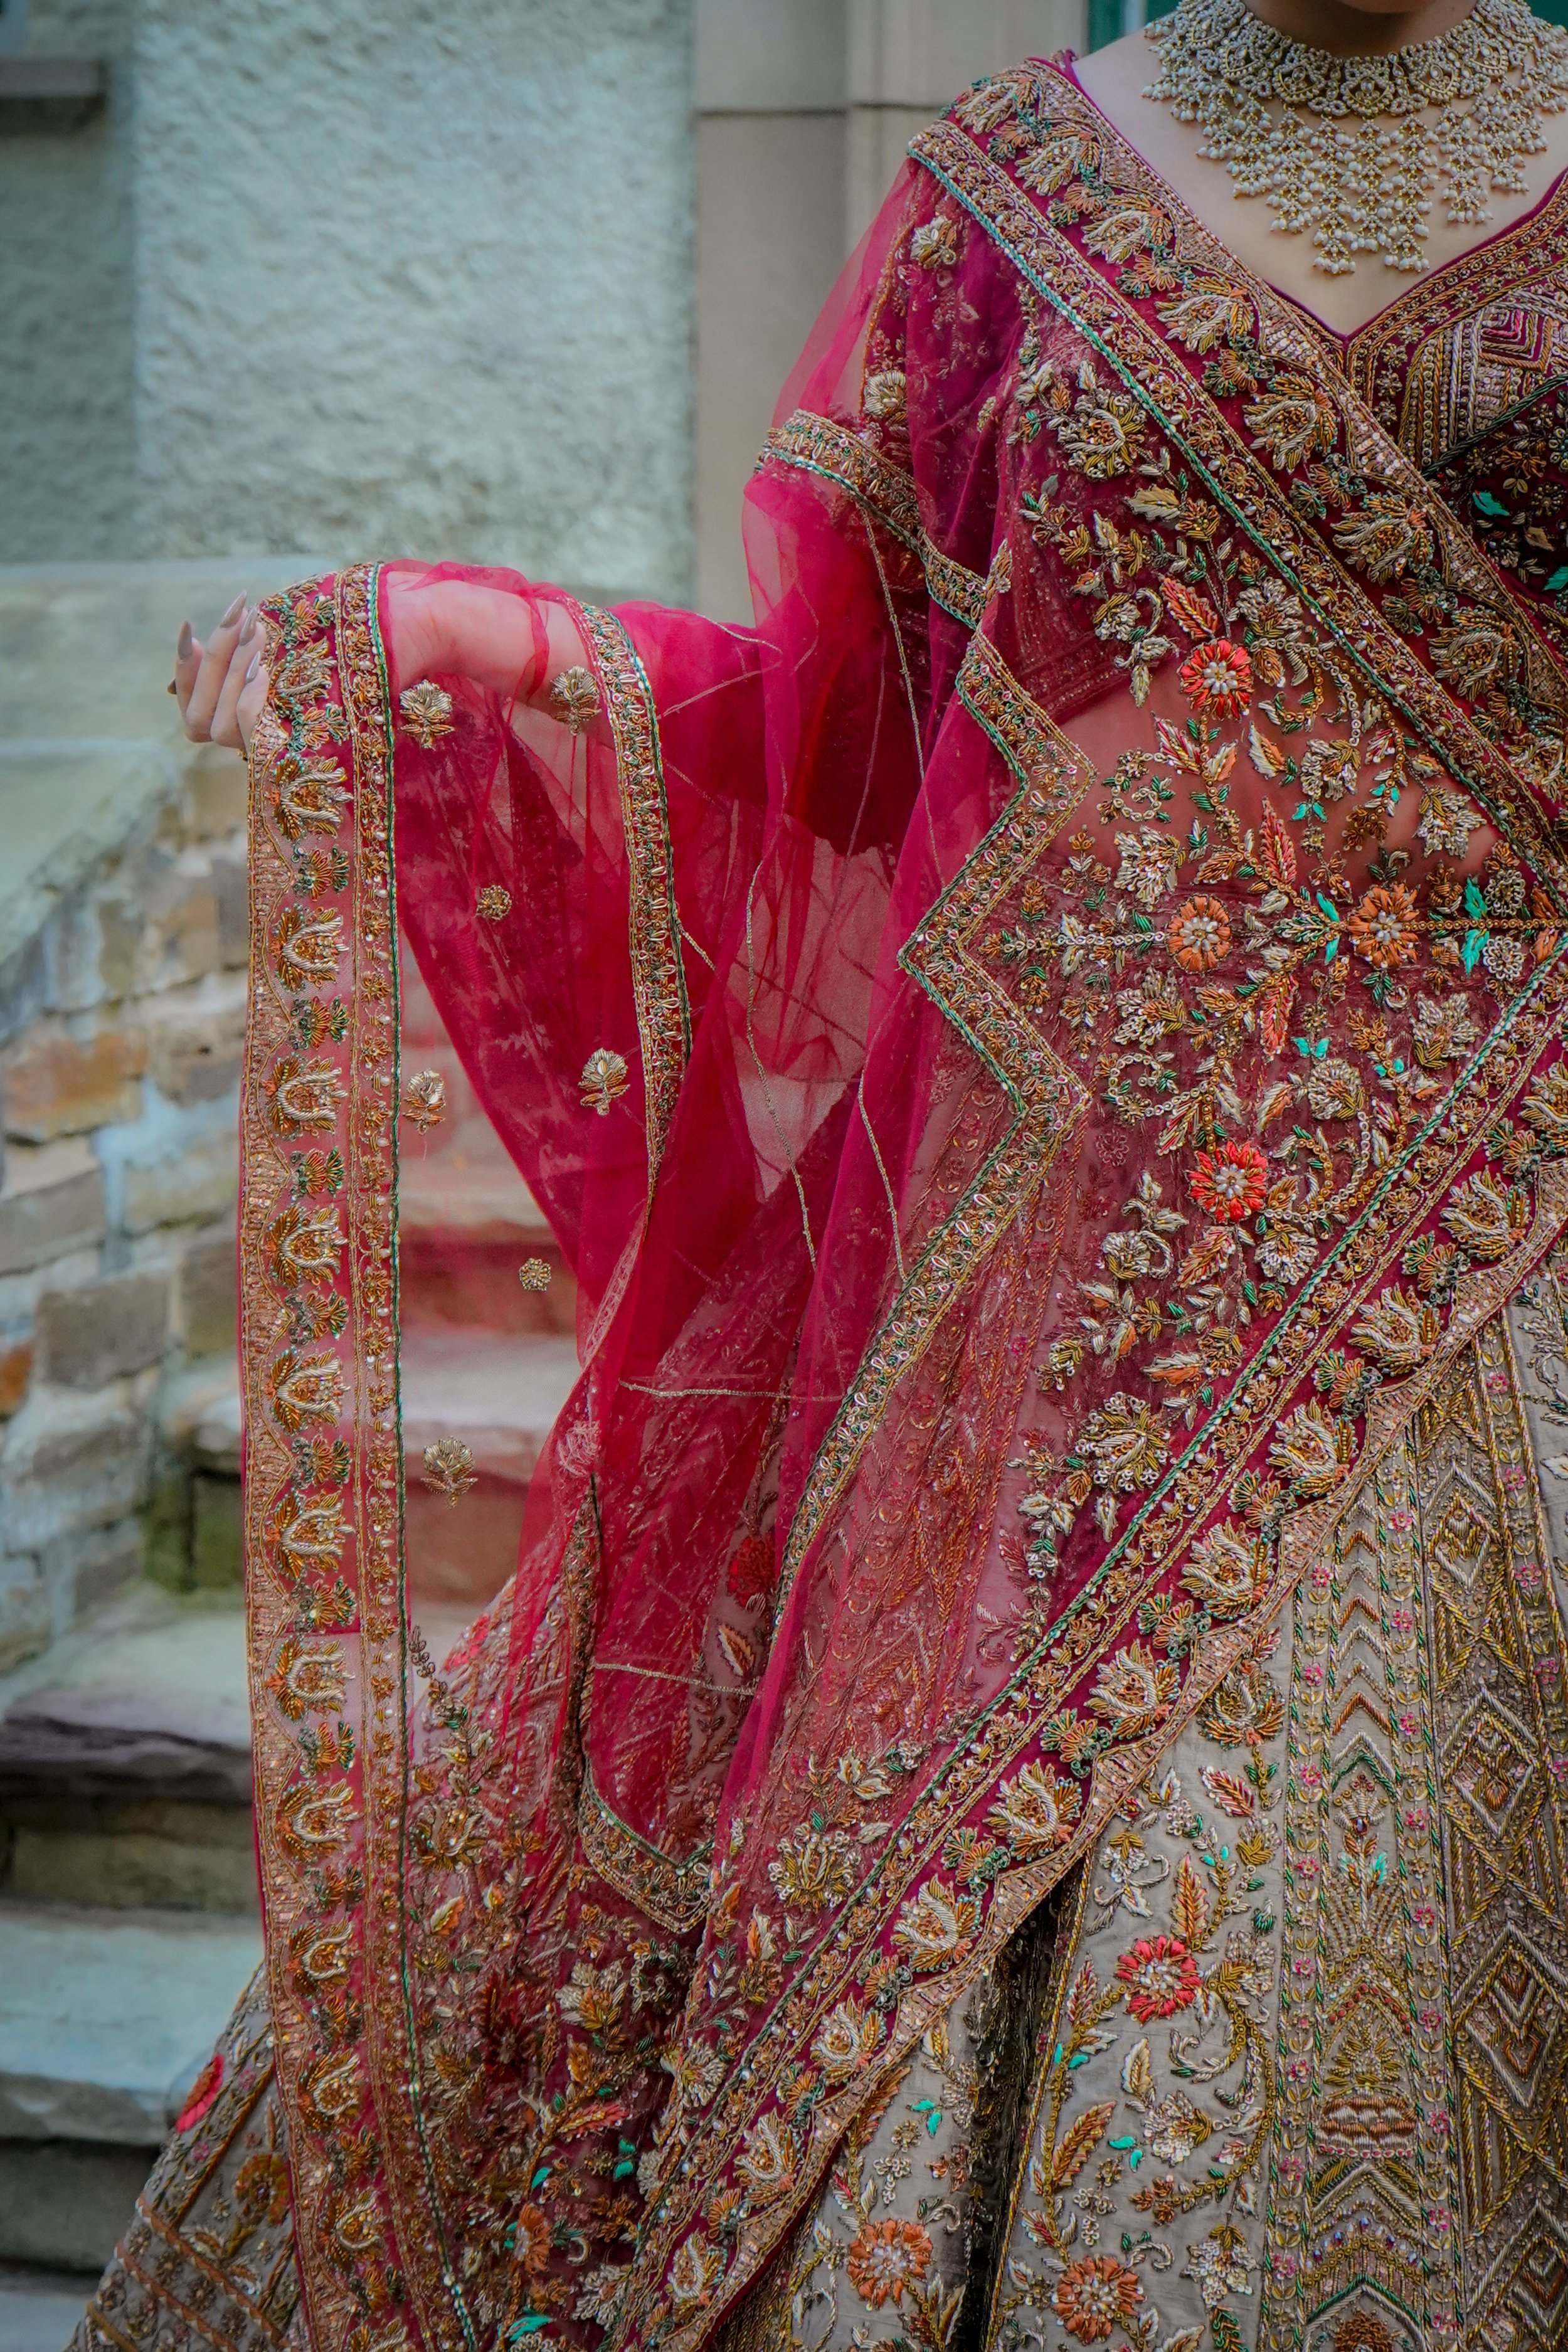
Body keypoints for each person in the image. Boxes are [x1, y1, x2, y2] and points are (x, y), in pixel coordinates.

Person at [76, 3, 1568, 2347]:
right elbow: (849, 738)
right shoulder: (1006, 189)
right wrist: (475, 640)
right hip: (1060, 1281)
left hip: (1514, 1250)